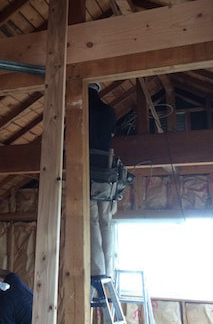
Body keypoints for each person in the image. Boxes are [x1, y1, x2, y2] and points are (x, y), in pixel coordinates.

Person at [88, 82, 117, 279]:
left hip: (87, 168)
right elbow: (111, 134)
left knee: (92, 220)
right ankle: (108, 269)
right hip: (106, 169)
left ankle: (97, 271)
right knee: (105, 219)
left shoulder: (80, 109)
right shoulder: (109, 111)